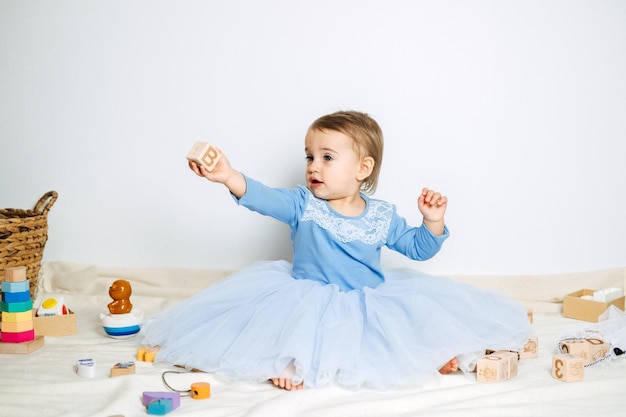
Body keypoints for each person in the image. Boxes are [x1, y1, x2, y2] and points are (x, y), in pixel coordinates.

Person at [141, 110, 531, 391]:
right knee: (293, 331)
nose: (314, 166)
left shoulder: (381, 216)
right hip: (305, 295)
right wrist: (227, 176)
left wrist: (432, 221)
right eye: (310, 156)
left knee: (397, 335)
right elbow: (263, 197)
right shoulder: (302, 203)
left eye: (327, 157)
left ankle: (430, 354)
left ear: (363, 168)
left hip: (368, 301)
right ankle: (287, 360)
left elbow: (418, 249)